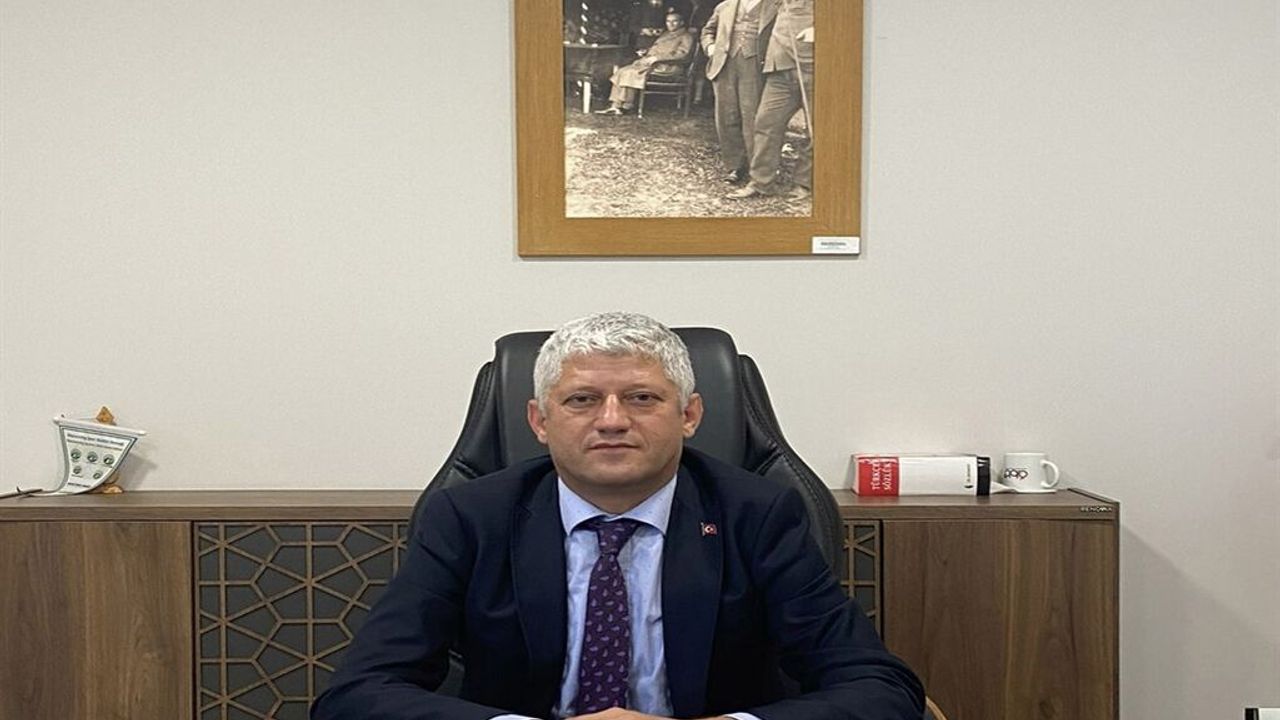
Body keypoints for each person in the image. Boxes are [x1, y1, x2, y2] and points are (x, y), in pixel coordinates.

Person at [311, 312, 924, 720]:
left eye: (641, 398)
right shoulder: (471, 516)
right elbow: (358, 692)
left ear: (689, 416)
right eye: (581, 399)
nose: (611, 420)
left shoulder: (757, 514)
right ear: (539, 421)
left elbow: (879, 689)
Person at [727, 0, 813, 201]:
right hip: (779, 68)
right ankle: (761, 183)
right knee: (765, 123)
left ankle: (804, 183)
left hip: (814, 66)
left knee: (815, 129)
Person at [701, 0, 780, 184]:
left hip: (754, 67)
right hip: (724, 66)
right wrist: (710, 47)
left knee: (752, 118)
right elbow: (707, 31)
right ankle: (734, 166)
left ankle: (756, 170)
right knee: (727, 116)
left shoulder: (775, 6)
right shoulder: (725, 6)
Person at [595, 12, 696, 116]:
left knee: (630, 72)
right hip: (654, 64)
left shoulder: (686, 36)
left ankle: (625, 106)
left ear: (681, 22)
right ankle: (616, 105)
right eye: (668, 21)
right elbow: (659, 49)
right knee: (622, 71)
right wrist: (646, 52)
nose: (670, 24)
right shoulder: (666, 34)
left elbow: (683, 55)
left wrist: (657, 58)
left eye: (674, 21)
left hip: (669, 67)